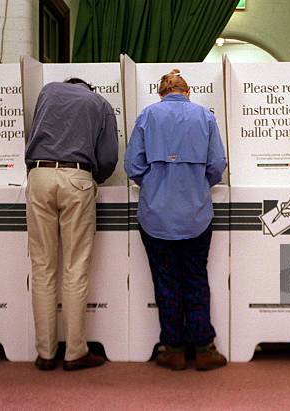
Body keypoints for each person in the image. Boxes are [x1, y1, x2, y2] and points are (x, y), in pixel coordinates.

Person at [125, 69, 228, 371]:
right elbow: (217, 164)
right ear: (188, 92)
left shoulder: (147, 116)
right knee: (196, 277)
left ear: (161, 93)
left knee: (166, 280)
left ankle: (173, 349)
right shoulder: (205, 117)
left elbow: (133, 165)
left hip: (156, 215)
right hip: (195, 213)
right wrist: (196, 183)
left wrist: (155, 183)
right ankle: (204, 348)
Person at [25, 78, 118, 371]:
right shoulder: (100, 104)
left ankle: (45, 353)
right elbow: (108, 157)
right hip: (76, 177)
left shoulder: (47, 92)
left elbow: (33, 133)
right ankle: (75, 352)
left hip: (38, 175)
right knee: (75, 268)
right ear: (89, 87)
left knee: (42, 268)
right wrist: (93, 179)